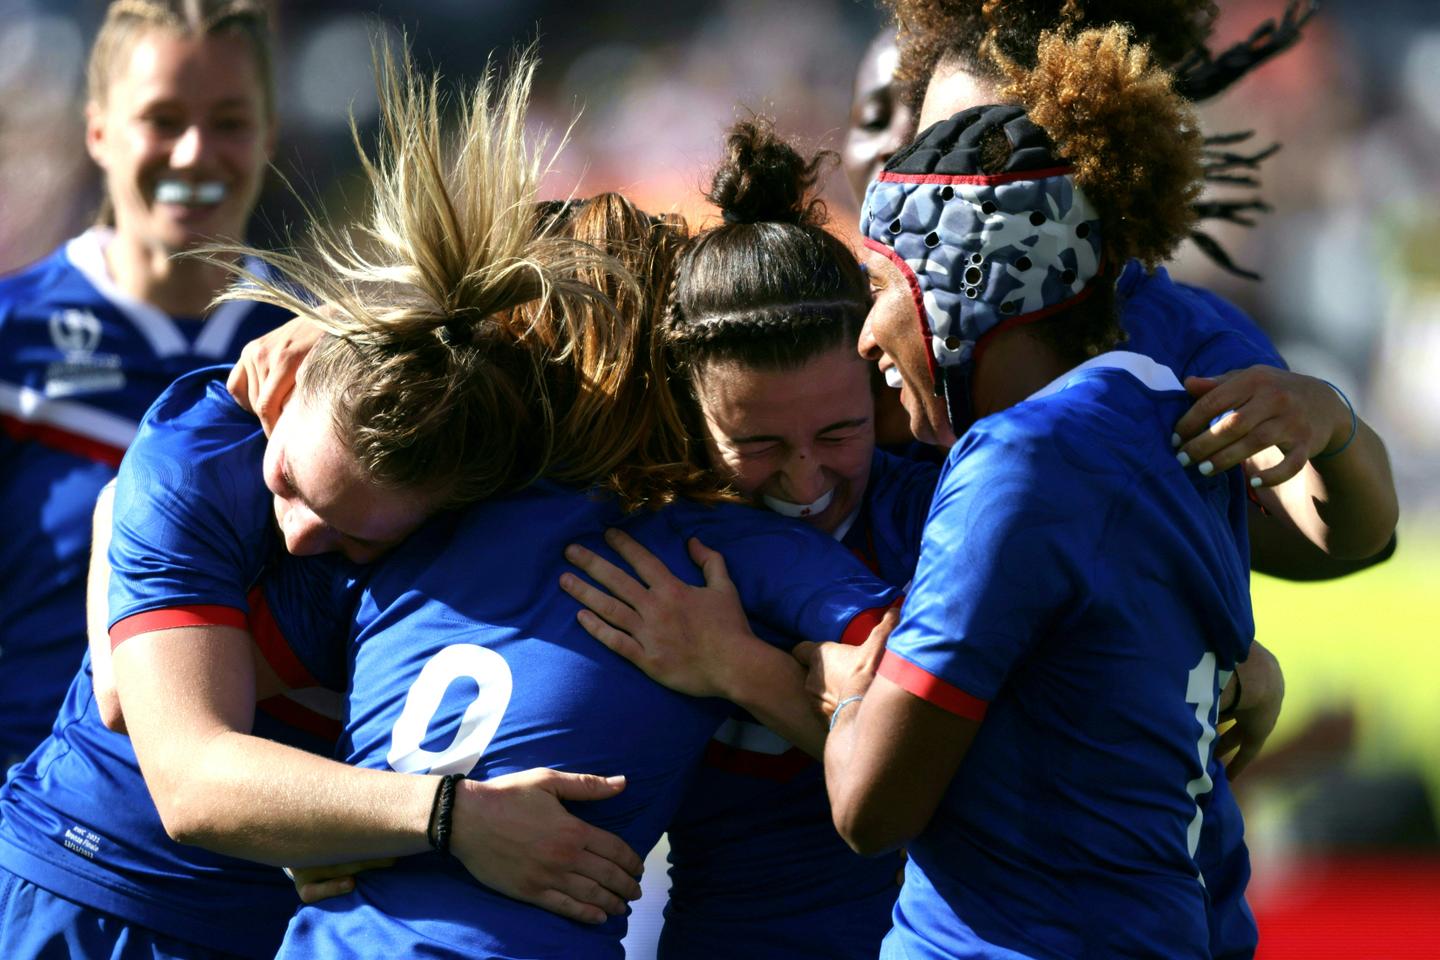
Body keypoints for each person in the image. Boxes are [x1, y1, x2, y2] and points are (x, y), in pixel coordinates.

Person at [103, 49, 903, 960]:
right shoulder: (432, 502)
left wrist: (736, 665)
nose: (801, 477)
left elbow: (917, 737)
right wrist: (429, 820)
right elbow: (151, 708)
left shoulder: (454, 515)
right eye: (756, 443)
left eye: (838, 432)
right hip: (163, 886)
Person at [0, 50, 656, 960]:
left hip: (282, 925)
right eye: (290, 483)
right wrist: (453, 819)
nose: (300, 533)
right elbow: (186, 774)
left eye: (352, 532)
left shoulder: (491, 486)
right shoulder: (198, 451)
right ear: (288, 389)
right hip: (94, 890)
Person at [812, 26, 1267, 958]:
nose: (865, 338)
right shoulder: (1165, 412)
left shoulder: (1017, 465)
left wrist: (839, 693)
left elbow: (869, 808)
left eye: (882, 285)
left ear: (963, 283)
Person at [0, 0, 289, 769]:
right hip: (30, 816)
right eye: (162, 120)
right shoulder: (11, 339)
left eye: (229, 122)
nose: (194, 154)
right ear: (98, 131)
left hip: (257, 823)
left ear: (269, 133)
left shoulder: (322, 348)